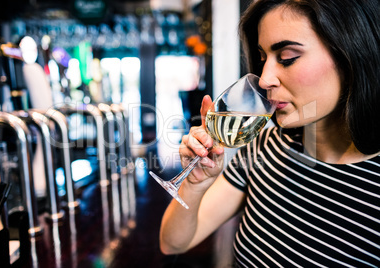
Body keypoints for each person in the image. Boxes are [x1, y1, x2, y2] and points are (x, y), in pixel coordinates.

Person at [158, 0, 380, 266]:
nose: (264, 79)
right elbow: (172, 243)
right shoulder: (265, 146)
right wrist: (194, 185)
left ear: (353, 53)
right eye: (263, 59)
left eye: (287, 58)